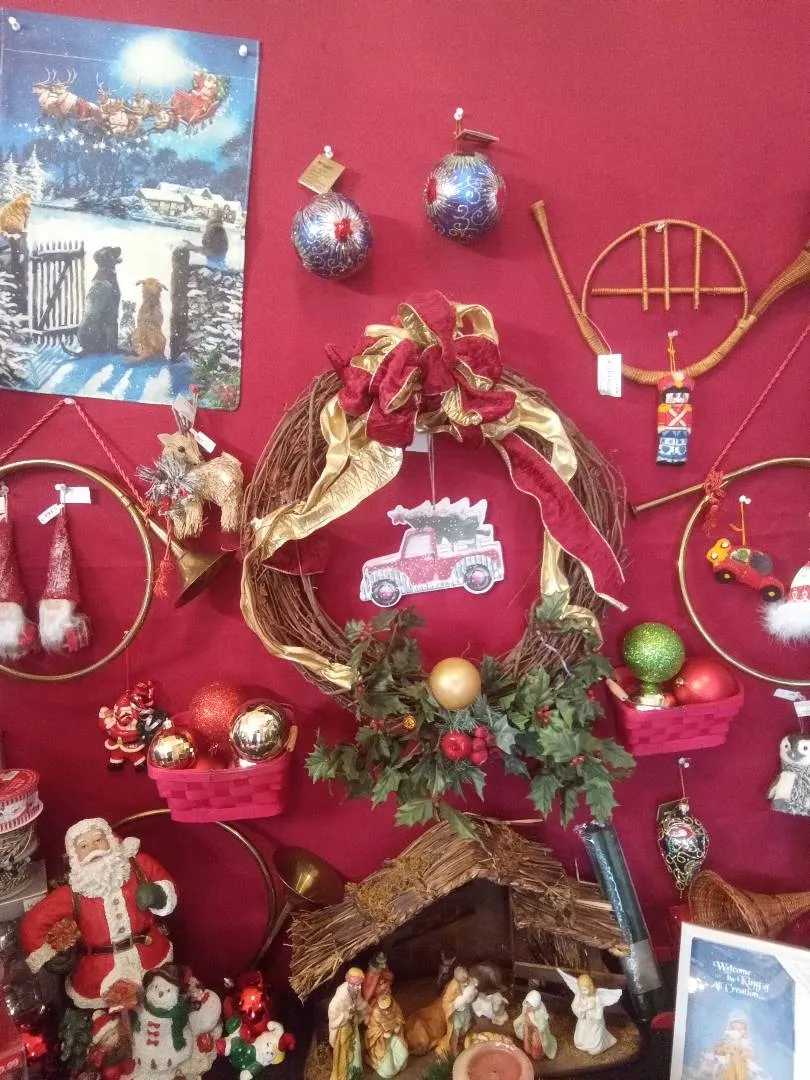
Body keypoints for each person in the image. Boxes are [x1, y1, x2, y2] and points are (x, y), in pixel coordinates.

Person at [21, 817, 176, 1008]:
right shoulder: (72, 894)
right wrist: (51, 955)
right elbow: (34, 922)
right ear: (74, 856)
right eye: (83, 846)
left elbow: (167, 883)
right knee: (106, 1014)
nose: (93, 849)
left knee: (158, 998)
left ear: (110, 840)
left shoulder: (137, 867)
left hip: (150, 955)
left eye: (97, 840)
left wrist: (158, 894)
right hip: (99, 971)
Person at [557, 970, 622, 1056]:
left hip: (595, 1025)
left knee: (594, 1050)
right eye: (581, 989)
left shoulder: (597, 998)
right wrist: (586, 1008)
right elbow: (574, 1007)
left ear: (590, 987)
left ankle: (605, 1042)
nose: (583, 992)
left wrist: (591, 1011)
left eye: (585, 990)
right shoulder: (579, 994)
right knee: (579, 1043)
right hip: (583, 1021)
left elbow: (599, 1016)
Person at [328, 968, 367, 1080]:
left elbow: (359, 1002)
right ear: (348, 982)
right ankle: (346, 1076)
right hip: (342, 1030)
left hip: (352, 1026)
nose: (357, 988)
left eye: (359, 985)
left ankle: (356, 1074)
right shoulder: (339, 999)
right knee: (344, 1054)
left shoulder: (355, 991)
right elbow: (332, 1015)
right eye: (354, 985)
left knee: (356, 1050)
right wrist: (346, 1015)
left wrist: (366, 1008)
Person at [364, 991, 408, 1078]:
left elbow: (399, 1018)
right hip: (381, 1044)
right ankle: (373, 1063)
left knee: (404, 1056)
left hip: (394, 1037)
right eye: (384, 1010)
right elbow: (371, 1033)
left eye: (388, 1008)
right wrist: (382, 1034)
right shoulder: (376, 1014)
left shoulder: (394, 1007)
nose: (387, 1012)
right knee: (388, 1072)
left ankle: (395, 1066)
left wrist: (398, 1025)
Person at [513, 990, 557, 1060]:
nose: (528, 1006)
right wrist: (524, 1022)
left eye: (531, 1006)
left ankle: (538, 1054)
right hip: (527, 1026)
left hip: (537, 1031)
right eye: (527, 1003)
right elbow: (523, 1016)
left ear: (535, 1004)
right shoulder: (526, 1006)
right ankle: (528, 1048)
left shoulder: (540, 1011)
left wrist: (534, 1022)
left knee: (535, 1045)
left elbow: (542, 1026)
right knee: (527, 1045)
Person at [714, 1015, 754, 1080]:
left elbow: (750, 1053)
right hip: (729, 1067)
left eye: (741, 1029)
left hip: (741, 1069)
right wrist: (726, 1049)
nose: (739, 1031)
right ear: (731, 1029)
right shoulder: (726, 1040)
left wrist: (744, 1053)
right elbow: (717, 1050)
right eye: (736, 1029)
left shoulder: (746, 1042)